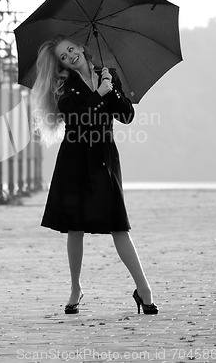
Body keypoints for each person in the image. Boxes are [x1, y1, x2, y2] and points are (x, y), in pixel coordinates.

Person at [32, 35, 158, 315]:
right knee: (74, 227)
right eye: (63, 56)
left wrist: (110, 90)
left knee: (118, 225)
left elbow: (126, 117)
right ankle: (76, 288)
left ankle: (144, 289)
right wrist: (99, 93)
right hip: (74, 157)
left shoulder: (107, 75)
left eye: (71, 49)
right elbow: (75, 118)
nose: (69, 56)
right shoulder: (62, 85)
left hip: (104, 156)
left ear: (82, 47)